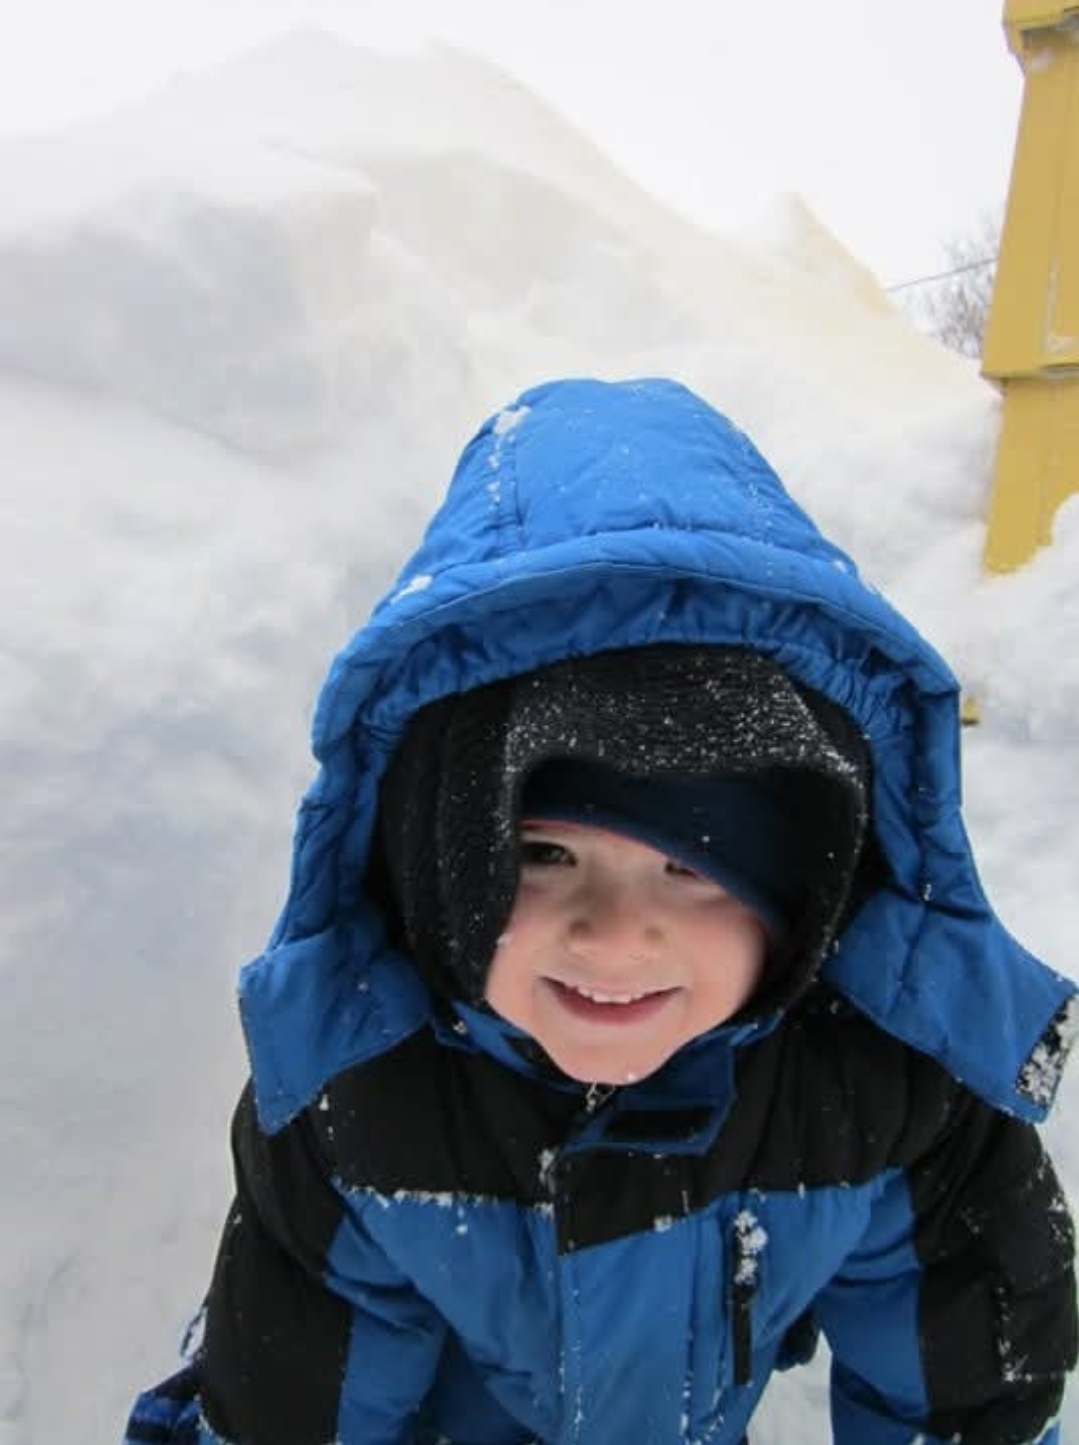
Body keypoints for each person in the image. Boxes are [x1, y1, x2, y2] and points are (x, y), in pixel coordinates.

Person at [123, 377, 1077, 1445]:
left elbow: (963, 1401)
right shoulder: (363, 1099)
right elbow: (290, 1414)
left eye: (692, 868)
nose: (615, 935)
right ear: (438, 863)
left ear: (806, 894)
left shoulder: (887, 1083)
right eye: (542, 854)